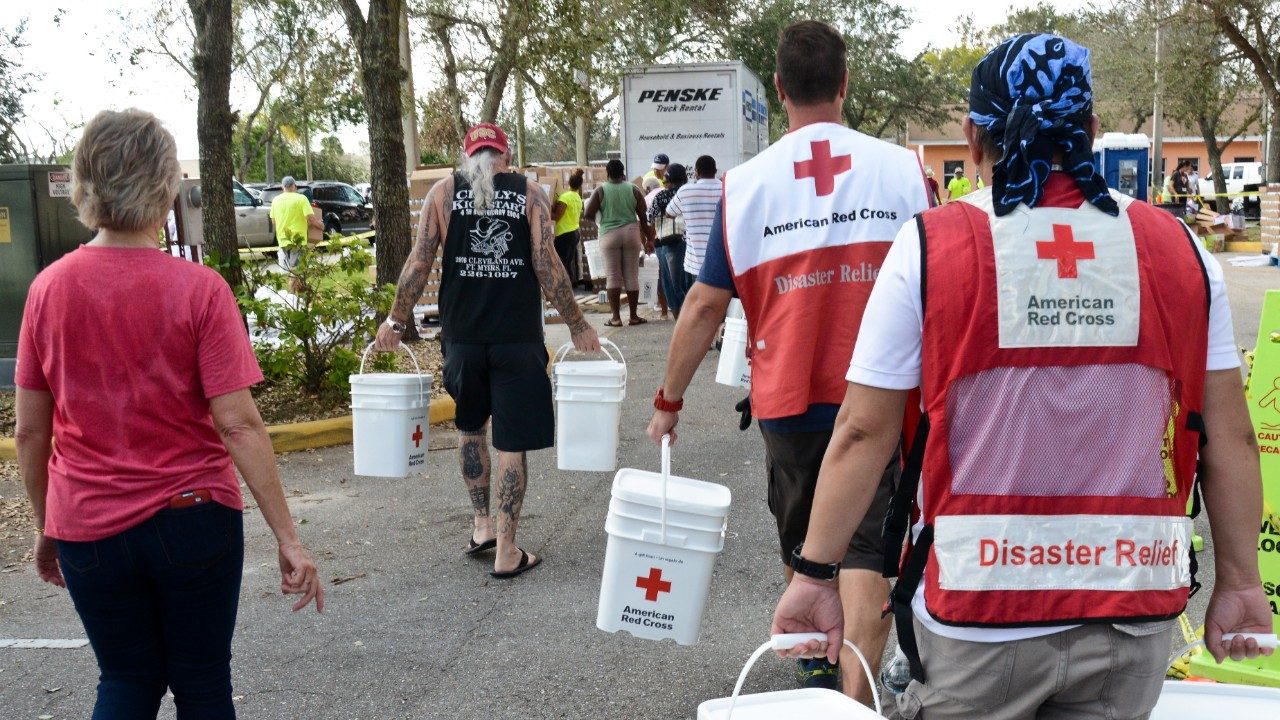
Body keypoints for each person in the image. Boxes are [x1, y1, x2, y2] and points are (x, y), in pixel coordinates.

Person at [772, 33, 1274, 720]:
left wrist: (815, 573)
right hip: (1133, 610)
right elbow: (1231, 436)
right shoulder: (1179, 249)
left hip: (978, 613)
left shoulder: (930, 248)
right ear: (1091, 133)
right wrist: (1242, 581)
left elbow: (863, 431)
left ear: (974, 139)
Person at [646, 21, 931, 704]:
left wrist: (668, 400)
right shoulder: (903, 170)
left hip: (787, 404)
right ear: (845, 81)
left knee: (805, 543)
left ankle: (814, 670)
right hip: (885, 404)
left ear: (778, 90)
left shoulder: (747, 186)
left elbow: (704, 307)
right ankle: (853, 702)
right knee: (868, 555)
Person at [14, 109, 323, 720]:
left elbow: (29, 430)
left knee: (126, 680)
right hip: (194, 519)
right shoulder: (199, 290)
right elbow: (237, 423)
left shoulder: (48, 289)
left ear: (85, 184)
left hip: (88, 525)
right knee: (203, 684)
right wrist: (289, 538)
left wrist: (48, 521)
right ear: (166, 187)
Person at [374, 123, 600, 578]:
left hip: (462, 339)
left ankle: (482, 528)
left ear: (467, 155)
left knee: (470, 427)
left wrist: (397, 320)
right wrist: (577, 323)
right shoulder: (530, 193)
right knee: (511, 443)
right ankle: (507, 550)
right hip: (516, 339)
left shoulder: (442, 193)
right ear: (506, 154)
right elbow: (546, 264)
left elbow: (419, 261)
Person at [584, 158, 654, 327]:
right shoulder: (634, 189)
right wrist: (649, 240)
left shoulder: (601, 190)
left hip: (609, 234)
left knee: (613, 276)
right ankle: (633, 316)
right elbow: (644, 217)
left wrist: (601, 219)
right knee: (632, 275)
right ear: (623, 173)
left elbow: (587, 213)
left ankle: (615, 318)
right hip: (631, 233)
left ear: (607, 173)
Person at [666, 155, 722, 284]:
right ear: (715, 170)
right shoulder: (726, 189)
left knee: (700, 302)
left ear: (696, 172)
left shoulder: (685, 191)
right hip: (722, 261)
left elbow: (669, 213)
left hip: (696, 262)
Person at [648, 163, 690, 318]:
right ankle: (690, 315)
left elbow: (649, 217)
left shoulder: (661, 195)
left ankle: (680, 319)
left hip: (668, 241)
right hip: (689, 241)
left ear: (668, 178)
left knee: (671, 283)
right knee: (687, 281)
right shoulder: (688, 193)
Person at [269, 175, 323, 281]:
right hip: (297, 241)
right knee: (296, 271)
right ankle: (293, 295)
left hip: (283, 240)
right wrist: (319, 225)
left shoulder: (275, 200)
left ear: (282, 187)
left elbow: (273, 221)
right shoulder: (301, 199)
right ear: (295, 186)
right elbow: (310, 218)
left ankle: (295, 294)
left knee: (292, 270)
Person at [642, 176, 671, 320]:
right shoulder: (669, 192)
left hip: (659, 240)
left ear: (647, 188)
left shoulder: (647, 199)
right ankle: (678, 306)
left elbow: (647, 223)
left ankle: (664, 311)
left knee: (661, 276)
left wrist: (648, 242)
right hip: (676, 238)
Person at [551, 168, 586, 285]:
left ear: (568, 183)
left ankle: (565, 287)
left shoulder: (565, 197)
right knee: (567, 261)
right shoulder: (577, 198)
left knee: (561, 262)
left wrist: (543, 210)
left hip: (564, 234)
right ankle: (570, 285)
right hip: (574, 232)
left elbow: (556, 216)